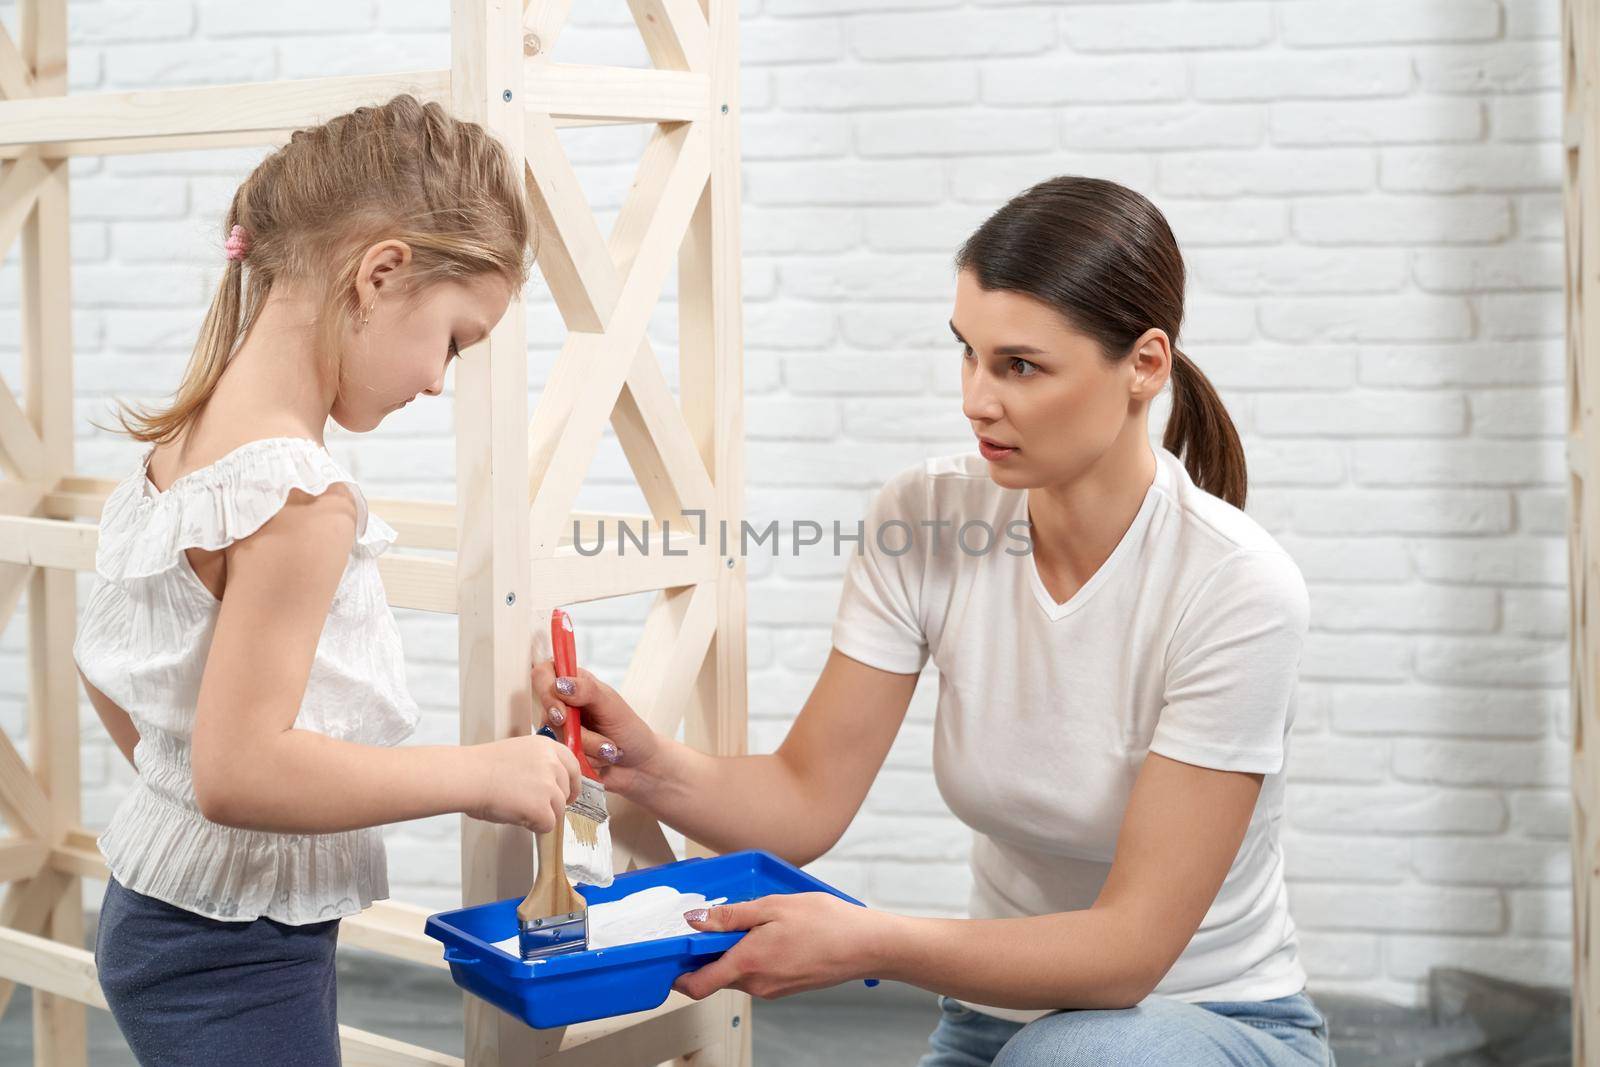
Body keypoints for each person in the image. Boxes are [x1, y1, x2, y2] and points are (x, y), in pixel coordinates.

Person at [534, 176, 1334, 1066]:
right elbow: (805, 799)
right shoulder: (926, 519)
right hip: (996, 1027)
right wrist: (647, 765)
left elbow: (1128, 953)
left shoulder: (1236, 586)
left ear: (1145, 364)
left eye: (1020, 366)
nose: (976, 399)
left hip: (1206, 1021)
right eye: (969, 353)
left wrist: (867, 940)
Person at [72, 94, 581, 1066]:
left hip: (168, 909)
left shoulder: (185, 447)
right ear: (381, 272)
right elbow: (240, 770)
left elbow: (109, 667)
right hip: (236, 948)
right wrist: (481, 770)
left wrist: (181, 791)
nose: (439, 381)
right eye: (455, 339)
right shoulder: (298, 495)